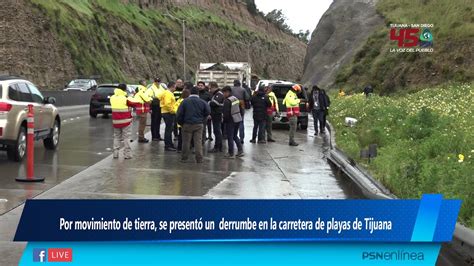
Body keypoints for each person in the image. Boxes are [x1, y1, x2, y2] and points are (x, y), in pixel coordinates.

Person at [176, 87, 210, 163]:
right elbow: (208, 111)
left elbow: (179, 114)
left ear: (190, 93)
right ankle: (199, 159)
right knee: (198, 142)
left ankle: (184, 158)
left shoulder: (184, 102)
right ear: (198, 93)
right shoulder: (202, 102)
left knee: (186, 142)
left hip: (187, 124)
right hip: (198, 124)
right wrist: (202, 120)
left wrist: (181, 123)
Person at [110, 84, 138, 159]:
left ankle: (115, 154)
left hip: (116, 121)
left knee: (116, 137)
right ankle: (127, 154)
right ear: (125, 90)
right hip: (126, 121)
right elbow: (135, 104)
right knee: (126, 137)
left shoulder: (112, 98)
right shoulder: (126, 98)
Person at [222, 86, 244, 158]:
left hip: (230, 120)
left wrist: (224, 121)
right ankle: (240, 151)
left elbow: (226, 113)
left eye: (224, 93)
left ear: (227, 92)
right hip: (237, 119)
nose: (223, 94)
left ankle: (230, 153)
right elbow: (240, 108)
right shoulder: (235, 98)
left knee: (230, 137)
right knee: (235, 136)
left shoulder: (227, 101)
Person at [160, 81, 177, 151]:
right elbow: (167, 104)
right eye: (175, 87)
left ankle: (169, 144)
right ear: (172, 86)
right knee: (169, 130)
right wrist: (172, 111)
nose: (175, 88)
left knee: (169, 129)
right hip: (168, 113)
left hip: (166, 112)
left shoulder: (166, 92)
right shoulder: (168, 93)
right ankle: (168, 145)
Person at [209, 82, 224, 153]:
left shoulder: (219, 94)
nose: (210, 90)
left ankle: (217, 147)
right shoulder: (216, 94)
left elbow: (215, 103)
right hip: (215, 114)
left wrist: (208, 103)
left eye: (210, 88)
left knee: (217, 131)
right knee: (216, 131)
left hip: (217, 114)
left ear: (214, 87)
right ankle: (218, 146)